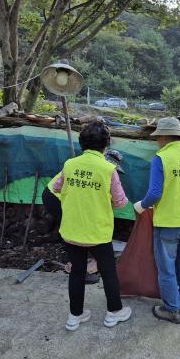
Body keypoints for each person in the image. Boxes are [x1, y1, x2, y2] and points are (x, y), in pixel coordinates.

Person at [53, 120, 131, 330]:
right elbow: (121, 202)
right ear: (106, 145)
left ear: (82, 143)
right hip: (97, 232)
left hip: (72, 230)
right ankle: (114, 313)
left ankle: (74, 317)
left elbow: (56, 187)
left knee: (77, 272)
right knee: (108, 272)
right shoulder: (108, 169)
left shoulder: (70, 164)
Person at [134, 117, 180, 324]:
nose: (157, 142)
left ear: (162, 137)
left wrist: (141, 205)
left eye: (157, 138)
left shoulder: (161, 159)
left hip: (169, 223)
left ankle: (171, 309)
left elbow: (154, 193)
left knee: (167, 268)